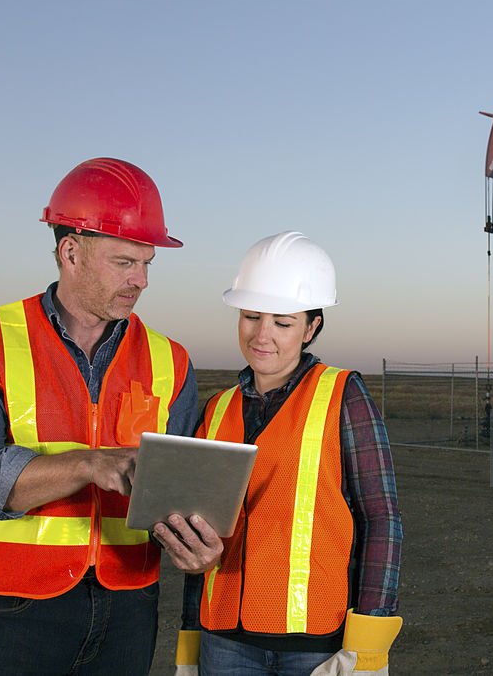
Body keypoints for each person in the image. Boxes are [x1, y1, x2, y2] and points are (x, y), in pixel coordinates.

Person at [0, 157, 225, 675]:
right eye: (123, 263)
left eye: (147, 264)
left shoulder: (170, 359)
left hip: (129, 608)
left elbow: (177, 492)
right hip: (10, 605)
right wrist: (91, 464)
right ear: (70, 252)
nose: (141, 280)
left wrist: (196, 546)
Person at [174, 231, 403, 676]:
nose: (263, 335)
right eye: (251, 316)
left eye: (283, 322)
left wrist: (368, 647)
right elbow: (198, 531)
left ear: (311, 327)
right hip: (223, 640)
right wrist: (189, 642)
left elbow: (383, 520)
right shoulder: (217, 409)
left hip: (317, 643)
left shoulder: (343, 395)